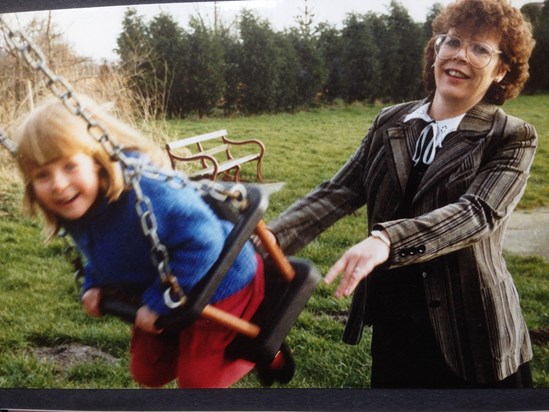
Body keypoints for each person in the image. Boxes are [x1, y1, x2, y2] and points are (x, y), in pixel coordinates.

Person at [266, 0, 537, 388]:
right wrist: (269, 240)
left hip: (474, 334)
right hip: (396, 324)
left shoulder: (512, 136)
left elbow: (476, 213)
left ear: (501, 71)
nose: (460, 55)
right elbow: (340, 190)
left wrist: (385, 241)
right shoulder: (390, 120)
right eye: (453, 41)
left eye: (480, 49)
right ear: (436, 50)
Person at [14, 95, 264, 388]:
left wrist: (159, 303)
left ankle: (263, 353)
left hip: (222, 281)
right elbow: (100, 249)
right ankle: (186, 337)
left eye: (69, 166)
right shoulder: (77, 203)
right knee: (148, 372)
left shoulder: (148, 192)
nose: (58, 184)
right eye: (43, 174)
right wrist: (93, 283)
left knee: (197, 384)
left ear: (97, 160)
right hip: (169, 285)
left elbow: (204, 241)